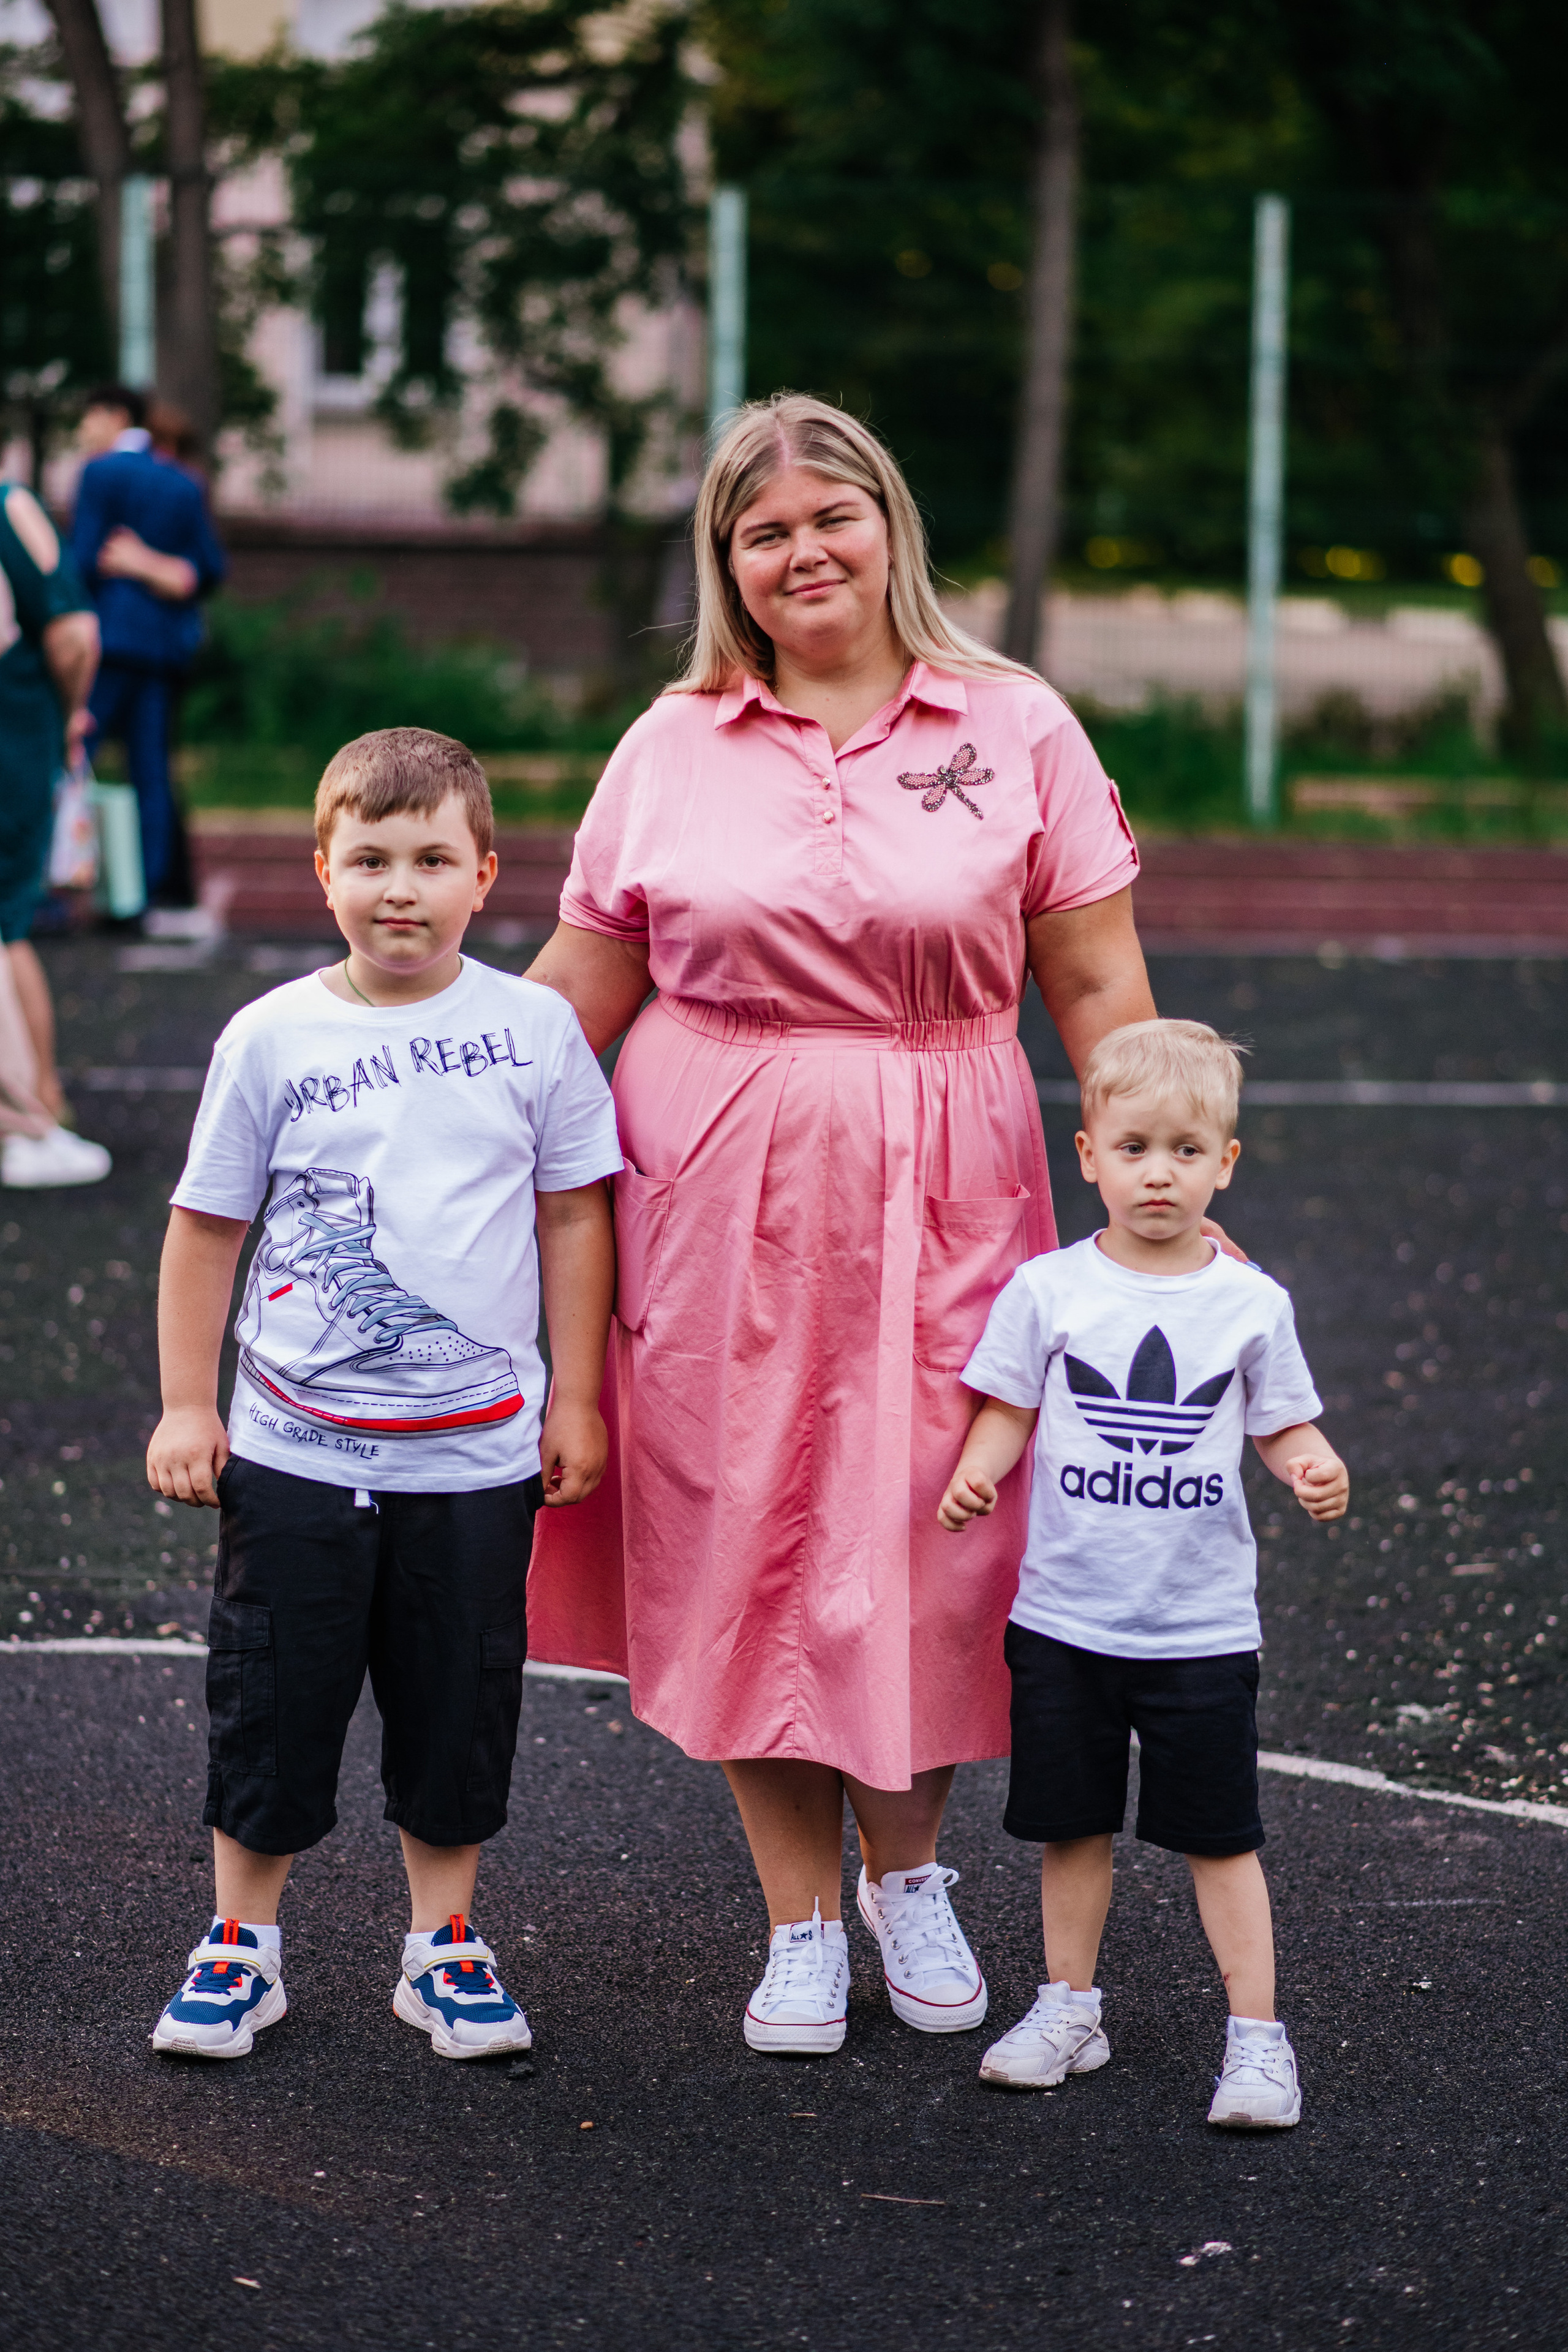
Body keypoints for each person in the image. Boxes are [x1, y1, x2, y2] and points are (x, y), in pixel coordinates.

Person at [525, 392, 1164, 2057]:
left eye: (832, 517)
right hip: (713, 1177)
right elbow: (575, 993)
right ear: (726, 565)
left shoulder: (1013, 722)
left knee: (930, 1531)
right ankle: (798, 1915)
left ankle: (910, 1875)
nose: (804, 551)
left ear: (890, 527)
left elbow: (1093, 976)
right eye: (764, 531)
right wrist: (409, 1112)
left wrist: (1150, 1187)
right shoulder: (671, 746)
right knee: (739, 1528)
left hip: (951, 1165)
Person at [145, 727, 622, 2060]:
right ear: (323, 870)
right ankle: (244, 1944)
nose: (397, 888)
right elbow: (204, 1230)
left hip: (470, 1458)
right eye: (368, 859)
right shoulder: (272, 1036)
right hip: (295, 1446)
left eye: (428, 860)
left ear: (483, 874)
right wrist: (191, 1405)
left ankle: (443, 1944)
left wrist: (571, 1396)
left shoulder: (532, 1030)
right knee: (271, 1700)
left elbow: (575, 1219)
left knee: (455, 1709)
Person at [939, 1019, 1348, 2127]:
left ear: (1225, 1162)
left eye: (1182, 1148)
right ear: (1088, 1157)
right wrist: (979, 1473)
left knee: (1221, 1838)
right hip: (1067, 1624)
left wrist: (1311, 1464)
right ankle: (1070, 2006)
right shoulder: (1048, 1291)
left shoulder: (1250, 1304)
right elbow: (1008, 1408)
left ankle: (1257, 2041)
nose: (1157, 1172)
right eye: (1133, 1148)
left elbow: (1282, 1423)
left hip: (1199, 1632)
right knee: (1071, 1830)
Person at [0, 476, 114, 1187]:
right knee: (6, 927)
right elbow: (74, 632)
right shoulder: (9, 503)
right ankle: (26, 1119)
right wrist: (70, 713)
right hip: (11, 734)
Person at [72, 383, 225, 907]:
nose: (80, 431)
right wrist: (163, 571)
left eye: (87, 418)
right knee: (152, 773)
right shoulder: (184, 483)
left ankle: (56, 886)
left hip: (107, 644)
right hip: (161, 652)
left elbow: (83, 563)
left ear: (113, 416)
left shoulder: (100, 473)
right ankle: (146, 891)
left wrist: (131, 564)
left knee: (74, 758)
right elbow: (210, 568)